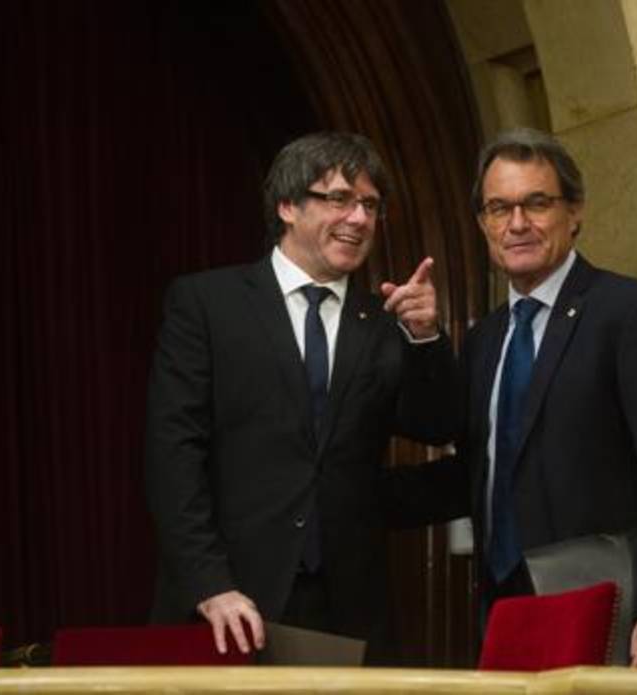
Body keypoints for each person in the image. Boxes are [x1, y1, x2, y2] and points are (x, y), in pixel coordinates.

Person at [144, 132, 457, 660]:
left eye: (370, 205)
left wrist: (426, 339)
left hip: (345, 611)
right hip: (229, 604)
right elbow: (172, 454)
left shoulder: (380, 325)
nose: (359, 218)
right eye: (338, 198)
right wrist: (209, 583)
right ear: (287, 206)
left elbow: (438, 423)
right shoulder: (207, 305)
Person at [461, 128, 637, 667]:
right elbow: (482, 468)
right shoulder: (484, 340)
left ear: (574, 212)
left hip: (609, 612)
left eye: (537, 203)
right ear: (484, 223)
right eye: (499, 208)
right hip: (505, 608)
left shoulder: (629, 313)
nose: (518, 224)